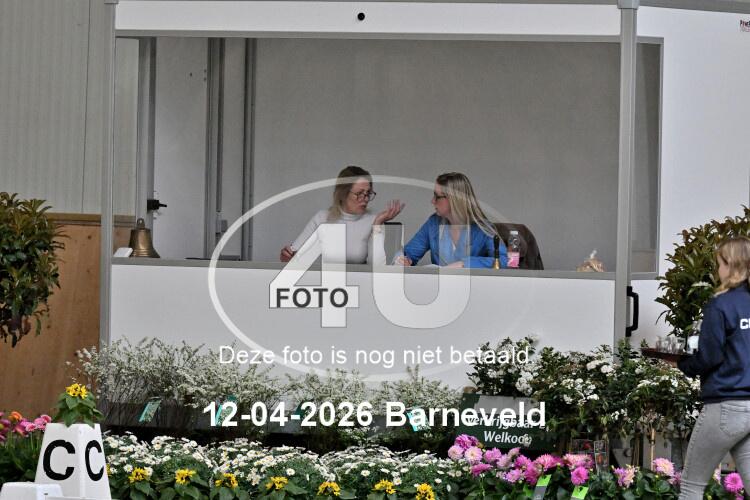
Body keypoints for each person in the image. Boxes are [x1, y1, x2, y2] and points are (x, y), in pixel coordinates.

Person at [677, 237, 750, 499]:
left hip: (725, 405)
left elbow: (710, 356)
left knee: (691, 486)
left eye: (719, 263)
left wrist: (683, 364)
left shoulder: (720, 305)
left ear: (731, 265)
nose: (718, 270)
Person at [280, 166, 403, 264]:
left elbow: (377, 266)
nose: (365, 199)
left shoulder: (373, 221)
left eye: (368, 193)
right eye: (359, 194)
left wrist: (378, 223)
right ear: (343, 194)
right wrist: (287, 256)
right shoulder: (322, 218)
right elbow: (294, 255)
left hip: (362, 283)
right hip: (328, 284)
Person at [395, 172, 506, 268]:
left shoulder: (483, 228)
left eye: (437, 196)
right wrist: (405, 260)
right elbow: (408, 253)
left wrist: (464, 264)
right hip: (440, 285)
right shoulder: (433, 223)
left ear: (454, 199)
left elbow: (504, 261)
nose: (432, 201)